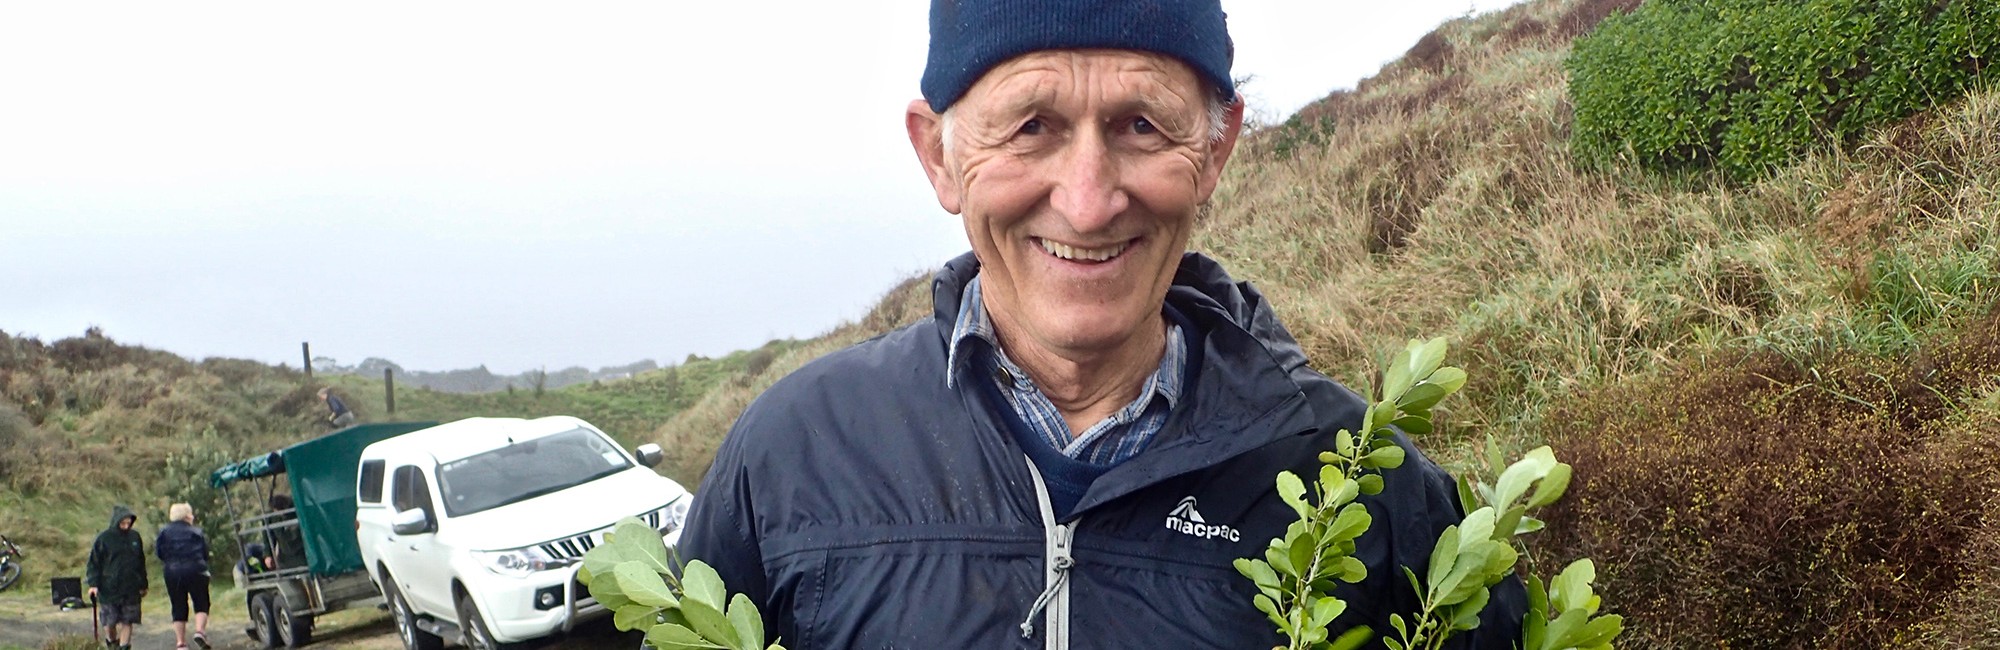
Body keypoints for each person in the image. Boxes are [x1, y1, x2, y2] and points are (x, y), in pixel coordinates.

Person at [676, 1, 1527, 647]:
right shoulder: (789, 457)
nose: (1087, 203)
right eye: (1032, 126)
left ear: (1217, 149)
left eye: (1141, 125)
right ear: (939, 155)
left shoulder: (1364, 481)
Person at [86, 505, 147, 650]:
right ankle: (112, 643)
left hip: (131, 587)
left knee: (128, 620)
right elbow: (94, 563)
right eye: (123, 523)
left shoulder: (135, 537)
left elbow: (141, 561)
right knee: (109, 622)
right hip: (109, 588)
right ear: (116, 521)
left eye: (128, 523)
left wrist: (143, 584)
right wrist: (93, 584)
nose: (126, 526)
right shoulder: (104, 539)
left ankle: (124, 646)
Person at [156, 503, 212, 650]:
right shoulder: (197, 532)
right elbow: (205, 553)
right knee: (201, 602)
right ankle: (200, 631)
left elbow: (159, 553)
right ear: (187, 516)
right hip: (196, 570)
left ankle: (181, 643)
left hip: (173, 572)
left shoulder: (163, 532)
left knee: (178, 605)